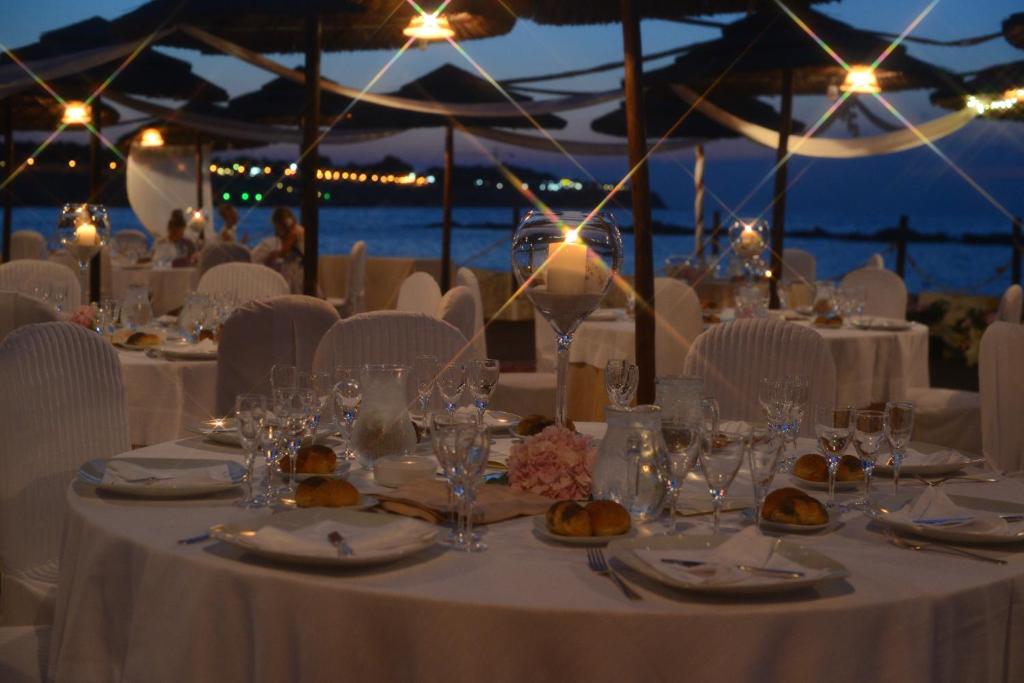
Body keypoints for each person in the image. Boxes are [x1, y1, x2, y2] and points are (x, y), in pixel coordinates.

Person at [262, 206, 305, 293]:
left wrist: (272, 256)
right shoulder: (297, 230)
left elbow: (283, 252)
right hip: (297, 266)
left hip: (295, 269)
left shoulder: (295, 232)